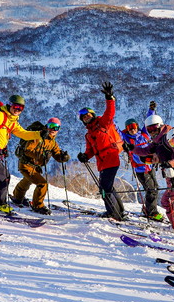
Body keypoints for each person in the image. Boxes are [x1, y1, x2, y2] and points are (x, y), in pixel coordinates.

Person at [0, 93, 42, 213]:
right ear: (9, 105)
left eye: (21, 108)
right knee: (4, 177)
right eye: (16, 107)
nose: (17, 110)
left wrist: (39, 134)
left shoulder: (12, 120)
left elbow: (23, 133)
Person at [77, 81, 125, 220]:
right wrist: (85, 156)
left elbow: (110, 113)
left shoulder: (103, 123)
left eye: (88, 115)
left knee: (104, 188)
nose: (86, 118)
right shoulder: (89, 134)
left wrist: (109, 98)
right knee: (108, 187)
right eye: (84, 117)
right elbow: (90, 150)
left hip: (111, 158)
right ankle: (119, 211)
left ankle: (113, 214)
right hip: (102, 162)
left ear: (93, 115)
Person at [11, 117, 70, 213]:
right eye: (51, 126)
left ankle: (17, 197)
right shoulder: (37, 136)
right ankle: (38, 206)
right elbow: (27, 150)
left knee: (27, 180)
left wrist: (64, 157)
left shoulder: (53, 143)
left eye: (56, 128)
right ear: (46, 126)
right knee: (42, 183)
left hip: (35, 167)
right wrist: (41, 155)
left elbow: (57, 155)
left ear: (58, 130)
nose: (53, 130)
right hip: (26, 165)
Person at [121, 117, 164, 221]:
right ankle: (151, 212)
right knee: (151, 190)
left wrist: (151, 110)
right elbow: (117, 131)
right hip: (140, 170)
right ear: (126, 129)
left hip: (150, 166)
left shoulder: (143, 134)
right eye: (129, 127)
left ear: (137, 126)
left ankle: (148, 209)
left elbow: (149, 121)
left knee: (155, 188)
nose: (132, 129)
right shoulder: (127, 138)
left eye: (134, 126)